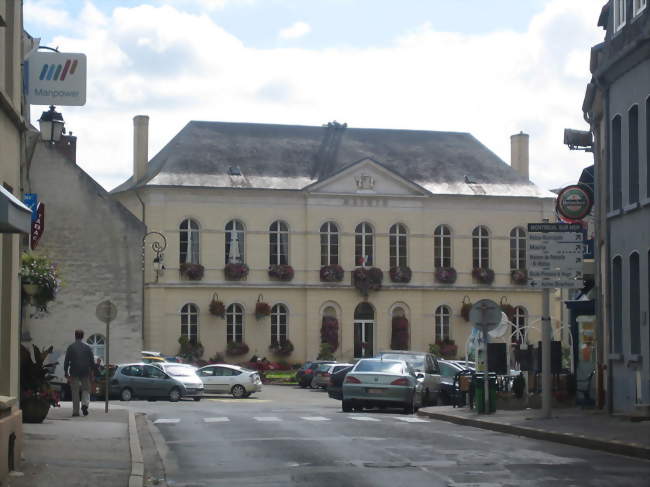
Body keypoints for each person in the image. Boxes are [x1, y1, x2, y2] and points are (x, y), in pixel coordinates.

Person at [64, 329, 95, 417]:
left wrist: (66, 372)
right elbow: (92, 362)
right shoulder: (88, 347)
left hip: (74, 371)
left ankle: (75, 411)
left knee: (75, 391)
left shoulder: (71, 347)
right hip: (85, 371)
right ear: (83, 336)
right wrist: (92, 373)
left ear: (75, 336)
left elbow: (66, 361)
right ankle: (84, 405)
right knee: (86, 389)